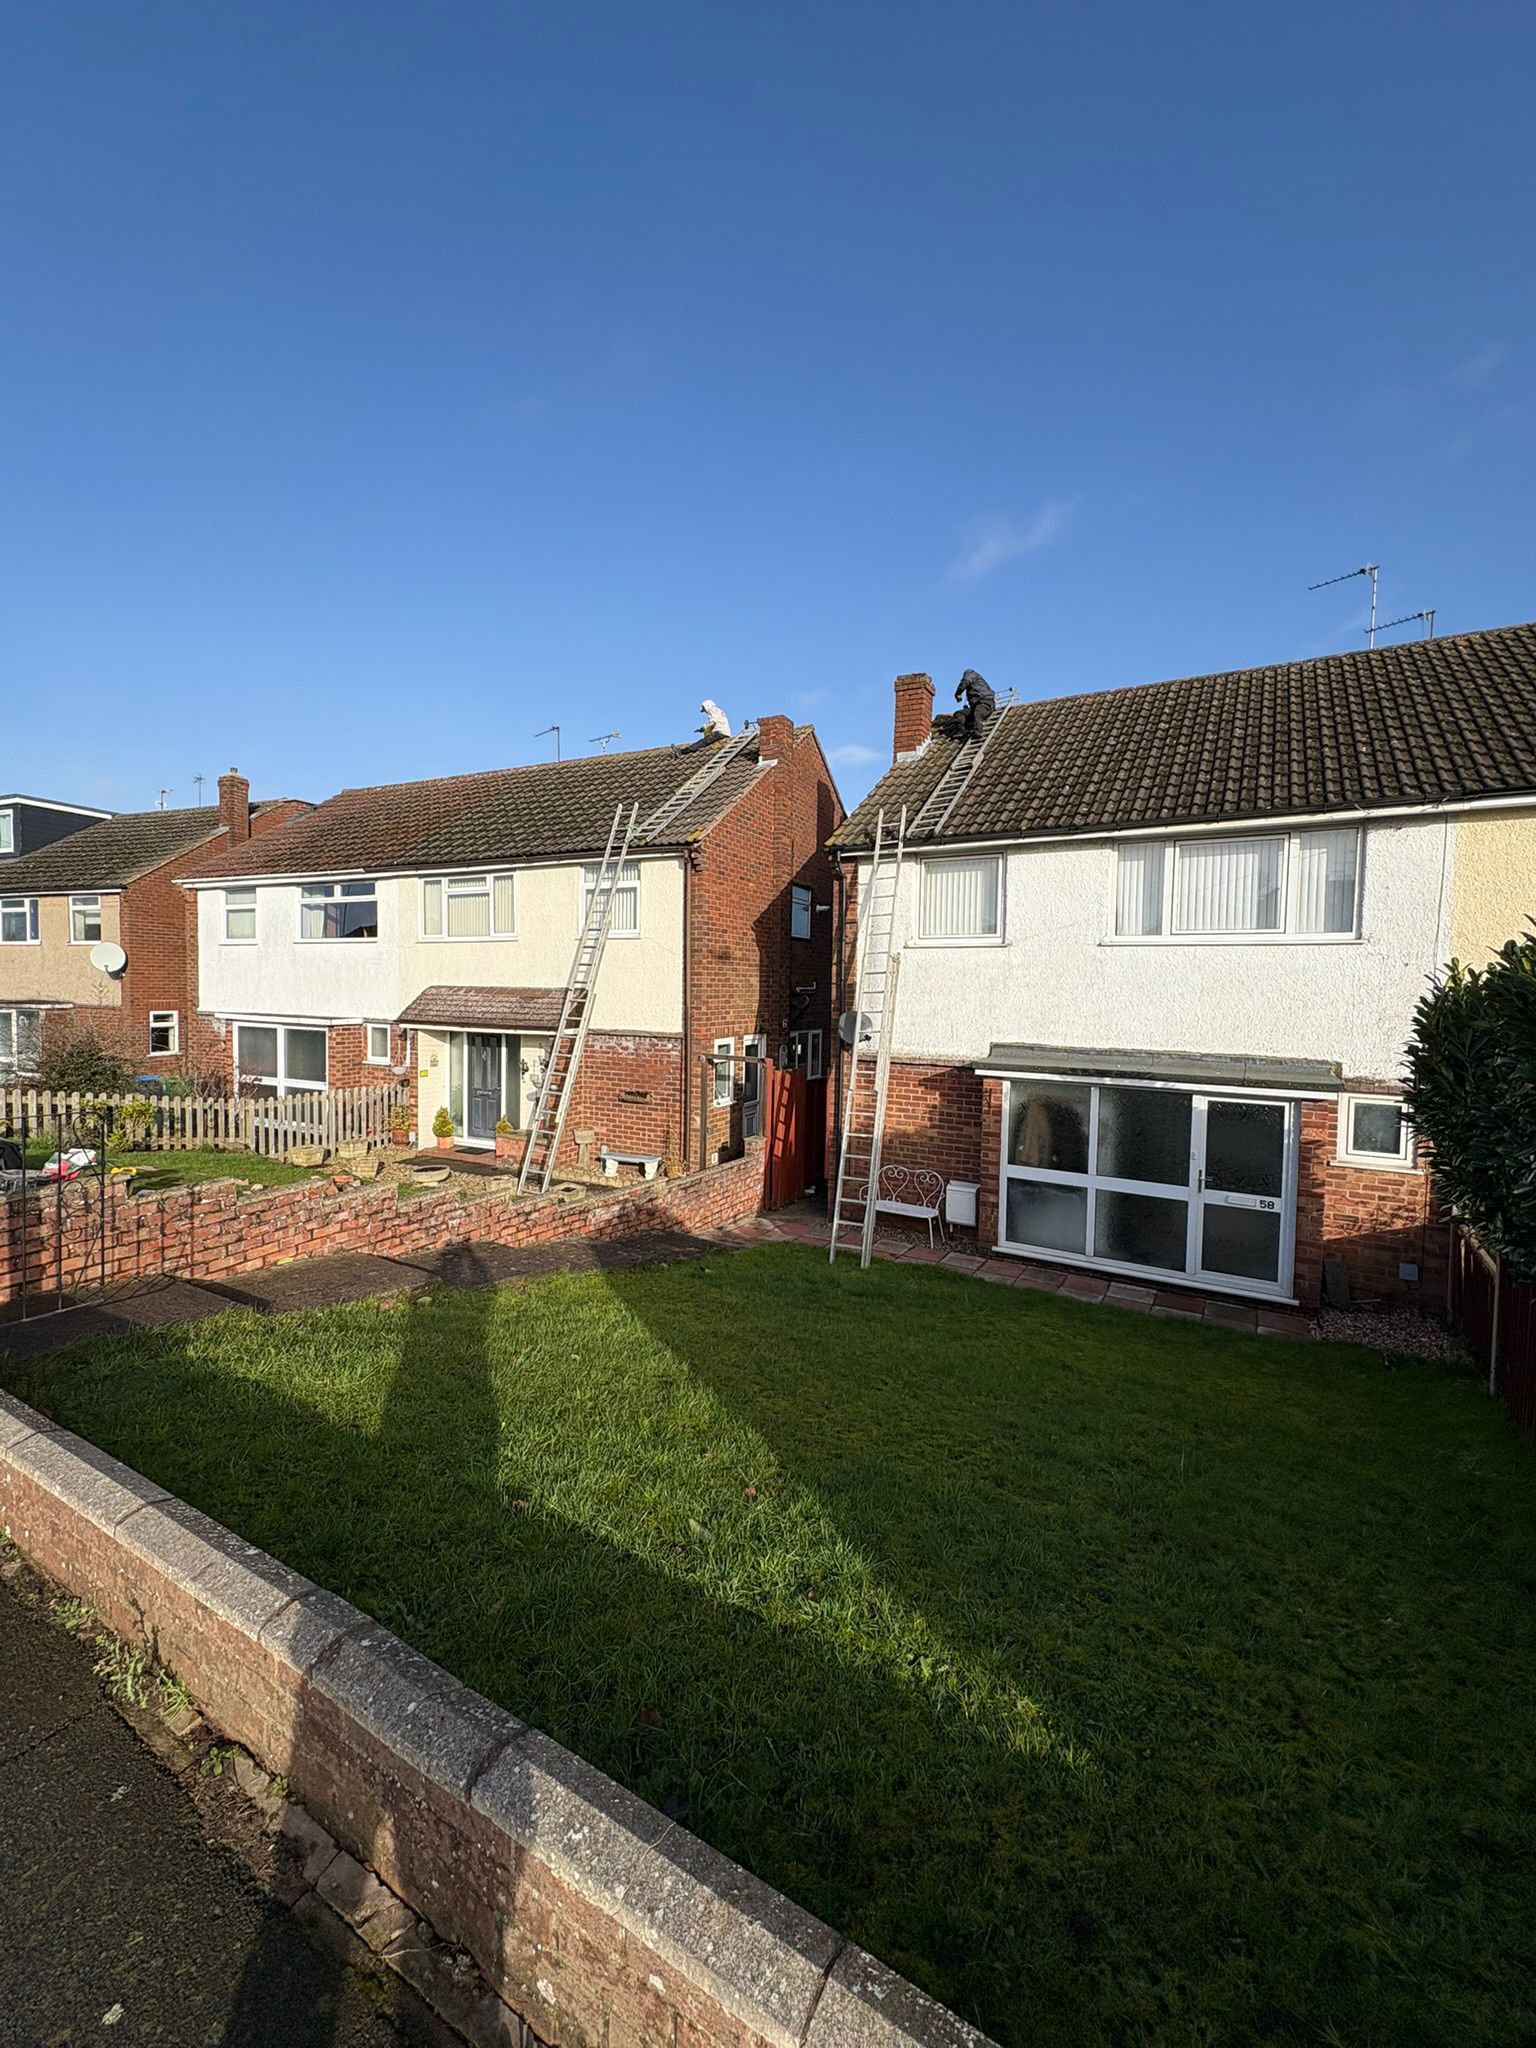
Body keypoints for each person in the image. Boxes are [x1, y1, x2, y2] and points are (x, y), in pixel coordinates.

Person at [954, 668, 997, 741]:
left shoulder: (971, 674)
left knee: (977, 713)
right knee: (959, 714)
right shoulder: (973, 682)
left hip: (986, 702)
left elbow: (966, 681)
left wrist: (958, 693)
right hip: (976, 705)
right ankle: (962, 731)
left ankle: (977, 731)